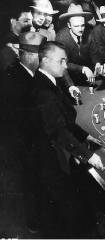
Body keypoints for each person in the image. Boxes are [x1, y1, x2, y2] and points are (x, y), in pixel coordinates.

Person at [32, 41, 103, 236]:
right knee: (70, 209)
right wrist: (88, 155)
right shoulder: (43, 90)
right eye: (61, 61)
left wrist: (85, 135)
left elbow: (64, 117)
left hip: (58, 150)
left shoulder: (48, 80)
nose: (65, 66)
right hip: (53, 158)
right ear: (45, 60)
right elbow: (58, 131)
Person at [0, 32, 46, 233]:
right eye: (40, 53)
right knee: (31, 183)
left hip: (32, 140)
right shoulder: (12, 79)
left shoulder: (32, 72)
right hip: (21, 145)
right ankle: (35, 224)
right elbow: (15, 120)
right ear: (23, 53)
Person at [56, 3, 95, 85]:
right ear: (69, 25)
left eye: (82, 25)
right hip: (71, 79)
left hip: (89, 77)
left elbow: (94, 54)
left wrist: (98, 63)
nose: (81, 29)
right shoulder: (61, 38)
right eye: (76, 26)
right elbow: (63, 63)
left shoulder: (90, 33)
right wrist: (83, 69)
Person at [0, 5, 33, 72]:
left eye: (31, 21)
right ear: (13, 21)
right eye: (26, 21)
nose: (31, 24)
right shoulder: (8, 44)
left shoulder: (24, 40)